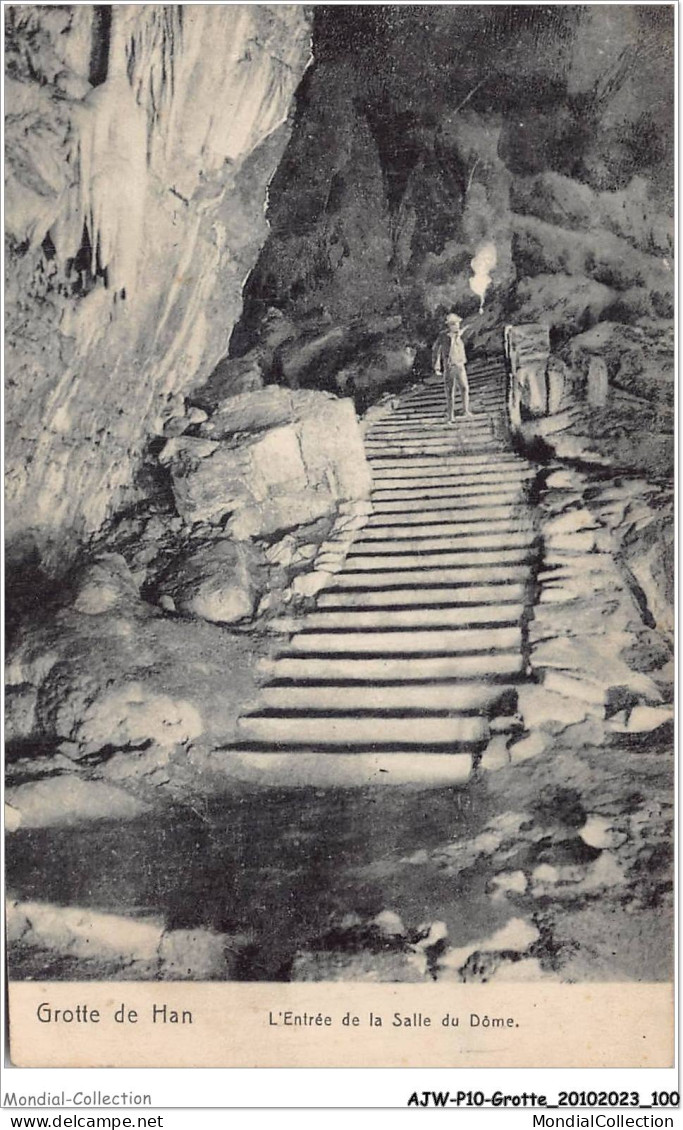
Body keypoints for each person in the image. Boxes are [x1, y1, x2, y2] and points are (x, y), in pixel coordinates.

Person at [432, 312, 473, 421]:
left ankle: (466, 410)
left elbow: (468, 326)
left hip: (460, 365)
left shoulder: (459, 334)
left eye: (458, 323)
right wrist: (437, 366)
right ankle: (450, 416)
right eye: (454, 324)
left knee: (464, 388)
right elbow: (436, 350)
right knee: (450, 392)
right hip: (450, 367)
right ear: (449, 325)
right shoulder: (443, 336)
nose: (457, 326)